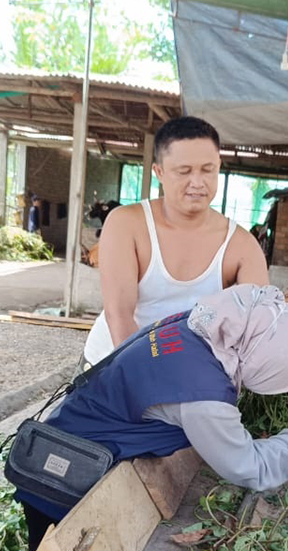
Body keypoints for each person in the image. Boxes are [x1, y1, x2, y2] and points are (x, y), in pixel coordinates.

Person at [19, 284, 288, 537]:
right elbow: (249, 467)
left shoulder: (199, 328)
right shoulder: (203, 395)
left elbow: (270, 345)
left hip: (71, 435)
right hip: (64, 478)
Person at [82, 116, 270, 366]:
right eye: (184, 171)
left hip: (188, 371)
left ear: (219, 166)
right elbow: (120, 315)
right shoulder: (126, 224)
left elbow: (263, 325)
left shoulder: (241, 246)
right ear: (158, 172)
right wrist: (148, 382)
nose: (197, 182)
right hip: (113, 363)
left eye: (207, 170)